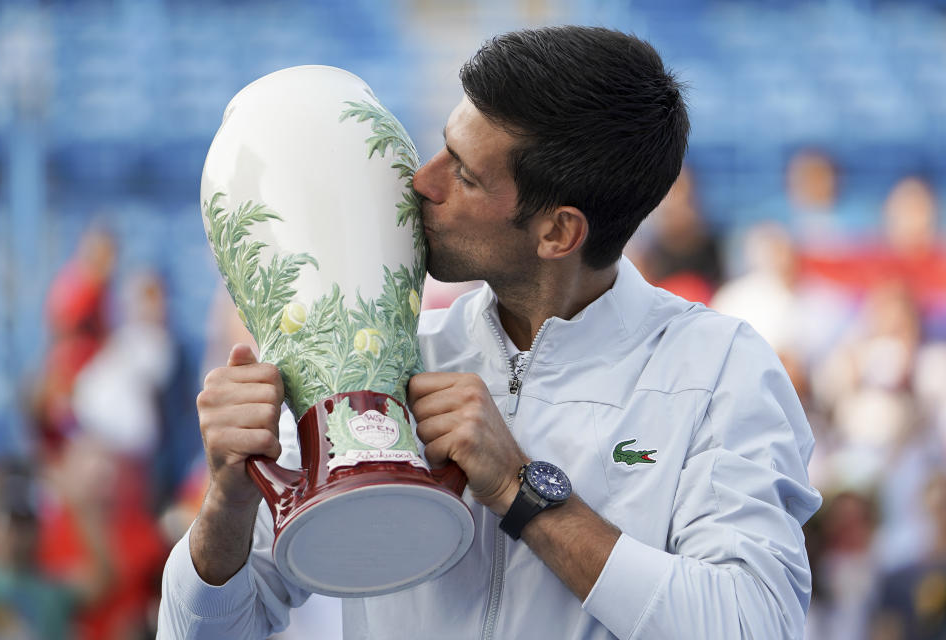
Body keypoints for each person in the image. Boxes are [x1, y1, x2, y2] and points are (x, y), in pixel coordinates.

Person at [158, 26, 821, 639]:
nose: (424, 181)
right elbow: (209, 629)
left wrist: (519, 488)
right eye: (443, 145)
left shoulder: (721, 370)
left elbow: (753, 622)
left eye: (465, 174)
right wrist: (227, 499)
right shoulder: (370, 354)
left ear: (558, 232)